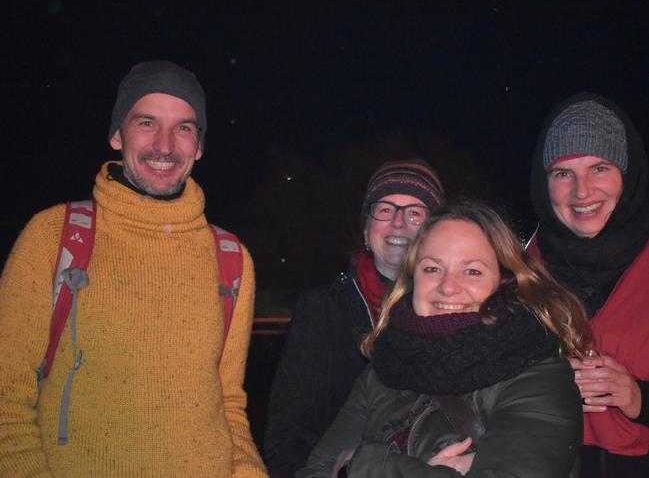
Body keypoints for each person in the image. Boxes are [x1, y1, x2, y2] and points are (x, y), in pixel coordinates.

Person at [0, 61, 267, 477]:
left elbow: (229, 403)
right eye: (147, 122)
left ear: (199, 146)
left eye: (183, 127)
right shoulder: (55, 237)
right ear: (116, 135)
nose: (164, 146)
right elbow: (6, 399)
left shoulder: (230, 258)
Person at [298, 202, 592, 478]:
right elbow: (316, 469)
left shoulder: (539, 375)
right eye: (432, 269)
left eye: (472, 271)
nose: (448, 287)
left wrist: (366, 466)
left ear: (505, 281)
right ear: (413, 278)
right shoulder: (383, 369)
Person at [263, 159, 445, 477]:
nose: (399, 223)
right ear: (366, 228)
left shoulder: (455, 312)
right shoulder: (322, 309)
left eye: (415, 212)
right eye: (385, 210)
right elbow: (288, 432)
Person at [528, 92, 649, 477]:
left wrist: (640, 398)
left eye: (599, 168)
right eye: (563, 173)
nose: (582, 192)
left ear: (626, 177)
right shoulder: (518, 270)